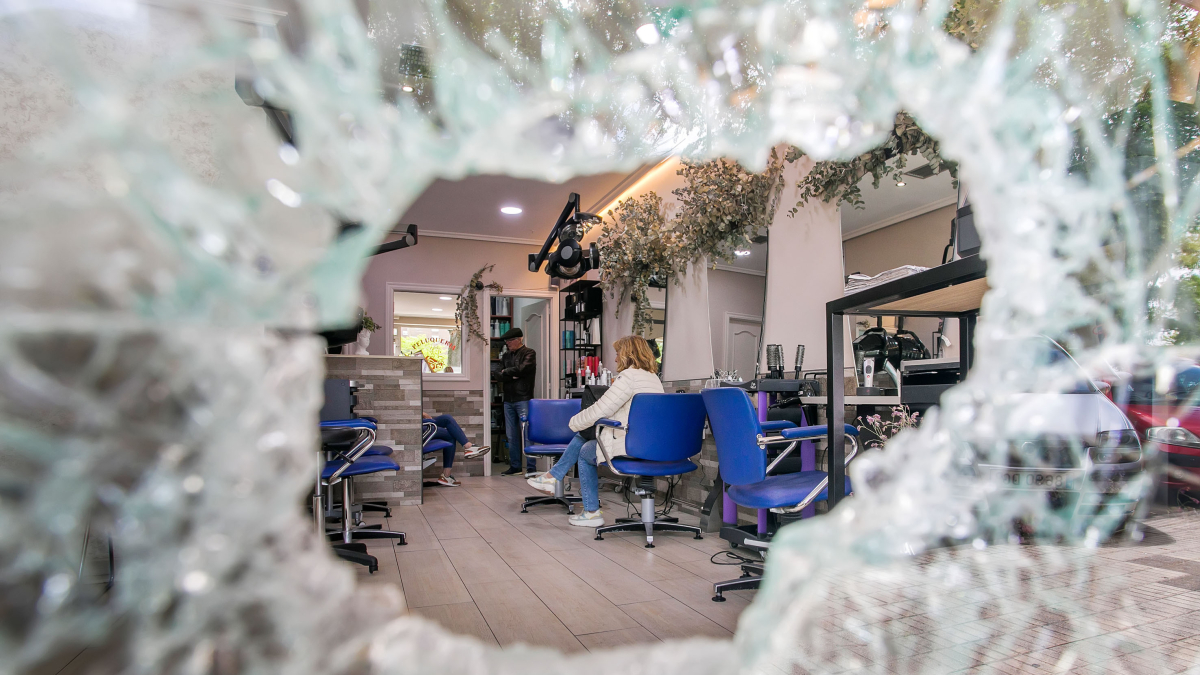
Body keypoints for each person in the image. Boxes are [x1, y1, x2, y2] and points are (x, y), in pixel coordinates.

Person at [527, 335, 663, 527]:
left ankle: (589, 510)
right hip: (652, 445)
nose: (615, 359)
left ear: (627, 354)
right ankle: (553, 477)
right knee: (588, 438)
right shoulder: (653, 378)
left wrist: (574, 422)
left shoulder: (629, 377)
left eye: (617, 354)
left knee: (584, 448)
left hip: (632, 445)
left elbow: (601, 408)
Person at [497, 327, 538, 476]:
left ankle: (531, 468)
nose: (507, 344)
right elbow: (499, 374)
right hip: (508, 399)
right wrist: (509, 374)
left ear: (519, 339)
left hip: (523, 398)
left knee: (527, 434)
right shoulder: (506, 356)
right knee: (512, 435)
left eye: (510, 341)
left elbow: (522, 370)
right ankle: (515, 466)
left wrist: (507, 372)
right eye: (506, 341)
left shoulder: (529, 353)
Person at [424, 412, 489, 487]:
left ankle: (446, 475)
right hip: (420, 426)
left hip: (422, 423)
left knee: (447, 419)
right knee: (451, 433)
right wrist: (424, 414)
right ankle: (468, 447)